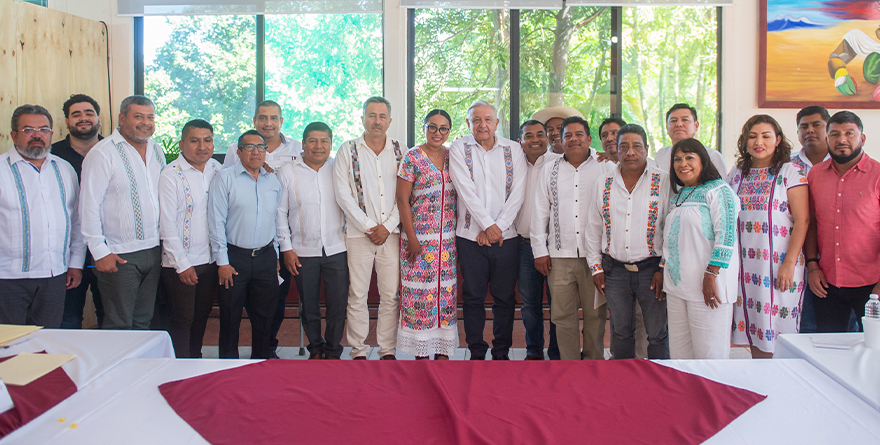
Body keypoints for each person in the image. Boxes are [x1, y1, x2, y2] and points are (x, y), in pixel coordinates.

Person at [223, 100, 302, 358]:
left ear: (281, 121)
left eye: (273, 118)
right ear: (255, 120)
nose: (268, 123)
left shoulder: (297, 149)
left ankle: (267, 347)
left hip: (282, 240)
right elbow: (228, 187)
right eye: (263, 118)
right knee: (240, 302)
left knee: (274, 302)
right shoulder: (237, 149)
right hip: (242, 242)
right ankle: (233, 356)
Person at [80, 95, 166, 330]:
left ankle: (138, 368)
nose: (145, 122)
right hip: (119, 255)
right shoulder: (102, 153)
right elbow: (88, 206)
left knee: (143, 321)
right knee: (119, 324)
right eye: (138, 116)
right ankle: (116, 368)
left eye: (150, 117)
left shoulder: (156, 150)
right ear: (122, 118)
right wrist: (99, 251)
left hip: (153, 250)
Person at [450, 100, 527, 360]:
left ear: (496, 123)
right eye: (476, 120)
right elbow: (465, 191)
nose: (482, 125)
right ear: (469, 123)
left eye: (487, 119)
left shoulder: (513, 149)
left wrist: (497, 228)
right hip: (470, 238)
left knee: (505, 297)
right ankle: (476, 350)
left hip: (507, 239)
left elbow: (518, 193)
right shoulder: (459, 148)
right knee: (472, 297)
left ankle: (502, 351)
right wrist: (488, 226)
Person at [531, 116, 613, 361]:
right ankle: (568, 366)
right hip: (559, 257)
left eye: (579, 134)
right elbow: (540, 211)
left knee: (595, 315)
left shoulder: (605, 167)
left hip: (596, 258)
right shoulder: (549, 169)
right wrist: (539, 250)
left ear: (589, 139)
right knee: (562, 315)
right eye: (568, 135)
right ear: (560, 140)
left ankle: (592, 363)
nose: (573, 139)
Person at [586, 123, 670, 360]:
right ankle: (623, 384)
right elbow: (593, 228)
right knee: (621, 332)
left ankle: (659, 384)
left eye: (636, 146)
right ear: (617, 150)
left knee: (657, 333)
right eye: (624, 147)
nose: (630, 152)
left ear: (647, 148)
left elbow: (671, 230)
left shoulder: (663, 182)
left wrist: (663, 268)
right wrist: (596, 267)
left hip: (652, 270)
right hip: (615, 271)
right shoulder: (604, 183)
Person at [728, 115, 809, 358]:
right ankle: (761, 379)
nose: (758, 141)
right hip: (745, 268)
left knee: (779, 332)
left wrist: (789, 263)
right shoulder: (736, 174)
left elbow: (802, 221)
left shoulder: (791, 172)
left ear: (778, 140)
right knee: (753, 328)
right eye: (752, 136)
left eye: (765, 136)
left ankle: (781, 387)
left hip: (780, 266)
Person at [0, 105, 85, 327]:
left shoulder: (64, 169)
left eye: (44, 130)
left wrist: (75, 263)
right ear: (13, 135)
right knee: (10, 347)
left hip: (55, 275)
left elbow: (76, 220)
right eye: (28, 130)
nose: (37, 135)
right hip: (8, 278)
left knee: (47, 343)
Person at [334, 96, 402, 360]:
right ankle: (359, 349)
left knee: (390, 294)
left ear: (390, 121)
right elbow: (343, 195)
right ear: (362, 118)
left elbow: (407, 194)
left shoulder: (401, 150)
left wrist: (387, 226)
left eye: (382, 116)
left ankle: (387, 349)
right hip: (358, 235)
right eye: (372, 115)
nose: (377, 121)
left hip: (391, 235)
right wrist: (369, 227)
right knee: (358, 293)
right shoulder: (347, 150)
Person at [276, 122, 348, 360]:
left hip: (337, 247)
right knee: (309, 305)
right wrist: (286, 248)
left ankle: (333, 350)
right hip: (302, 250)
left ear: (331, 143)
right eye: (313, 141)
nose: (319, 146)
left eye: (324, 141)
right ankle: (315, 349)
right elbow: (279, 213)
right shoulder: (288, 171)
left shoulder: (339, 168)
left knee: (338, 305)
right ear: (303, 144)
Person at [662, 138, 739, 359]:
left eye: (689, 157)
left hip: (708, 287)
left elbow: (726, 236)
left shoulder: (719, 191)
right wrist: (662, 270)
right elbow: (671, 239)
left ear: (703, 161)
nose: (682, 163)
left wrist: (711, 275)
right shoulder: (679, 196)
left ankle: (711, 394)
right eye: (677, 159)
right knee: (680, 355)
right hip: (677, 288)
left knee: (709, 355)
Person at [208, 130, 282, 359]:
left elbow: (276, 219)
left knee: (264, 317)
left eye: (261, 147)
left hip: (265, 257)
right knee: (230, 317)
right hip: (234, 258)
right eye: (249, 147)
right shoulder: (225, 178)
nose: (256, 152)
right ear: (238, 152)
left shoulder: (273, 180)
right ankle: (228, 365)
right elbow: (216, 221)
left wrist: (277, 255)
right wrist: (222, 261)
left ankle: (260, 362)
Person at [805, 111, 880, 332]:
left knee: (874, 351)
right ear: (827, 138)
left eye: (849, 133)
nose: (842, 140)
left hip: (871, 284)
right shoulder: (815, 175)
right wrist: (812, 266)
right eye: (835, 134)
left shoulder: (877, 175)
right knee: (828, 350)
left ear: (862, 138)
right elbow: (811, 223)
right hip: (826, 283)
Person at [396, 110, 458, 360]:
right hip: (418, 240)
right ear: (424, 128)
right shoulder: (412, 157)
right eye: (432, 127)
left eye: (443, 128)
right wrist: (412, 238)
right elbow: (402, 199)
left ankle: (441, 350)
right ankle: (420, 351)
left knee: (445, 294)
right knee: (419, 294)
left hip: (447, 242)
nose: (437, 133)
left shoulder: (454, 156)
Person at [158, 119, 221, 358]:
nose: (202, 146)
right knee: (182, 319)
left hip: (209, 260)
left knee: (201, 317)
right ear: (182, 144)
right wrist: (182, 265)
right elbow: (167, 224)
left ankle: (195, 361)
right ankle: (179, 367)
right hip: (180, 264)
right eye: (194, 141)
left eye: (207, 140)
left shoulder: (216, 169)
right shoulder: (171, 175)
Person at [51, 94, 105, 329]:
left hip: (108, 246)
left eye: (89, 113)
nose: (83, 118)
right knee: (68, 317)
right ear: (67, 122)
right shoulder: (52, 156)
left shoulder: (113, 151)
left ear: (98, 119)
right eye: (76, 114)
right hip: (66, 250)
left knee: (109, 316)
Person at [515, 119, 560, 360]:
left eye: (540, 134)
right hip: (524, 247)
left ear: (548, 137)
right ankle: (534, 351)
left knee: (558, 305)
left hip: (555, 247)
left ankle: (556, 352)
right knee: (530, 305)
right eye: (529, 136)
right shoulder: (513, 164)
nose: (535, 139)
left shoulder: (558, 163)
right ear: (520, 141)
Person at [791, 106, 834, 334]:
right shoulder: (787, 165)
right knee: (804, 320)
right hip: (796, 254)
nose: (810, 131)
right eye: (803, 126)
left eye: (816, 125)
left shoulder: (841, 162)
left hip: (833, 252)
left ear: (828, 128)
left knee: (837, 324)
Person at [654, 104, 727, 181]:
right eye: (673, 120)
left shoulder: (712, 156)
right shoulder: (661, 155)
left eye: (685, 120)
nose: (679, 124)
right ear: (666, 128)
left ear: (696, 125)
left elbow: (720, 189)